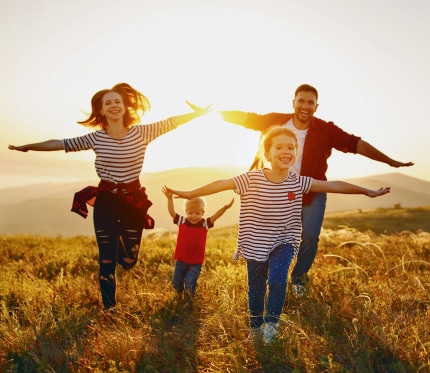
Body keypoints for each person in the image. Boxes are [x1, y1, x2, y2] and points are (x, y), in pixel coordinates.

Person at [165, 126, 390, 343]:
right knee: (256, 288)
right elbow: (221, 184)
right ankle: (255, 328)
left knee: (277, 279)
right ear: (267, 153)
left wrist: (366, 191)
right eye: (279, 147)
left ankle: (271, 326)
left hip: (284, 242)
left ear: (295, 153)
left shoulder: (298, 182)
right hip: (254, 243)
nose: (286, 151)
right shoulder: (250, 179)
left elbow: (334, 185)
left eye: (291, 147)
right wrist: (188, 193)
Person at [189, 83, 413, 296]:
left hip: (311, 190)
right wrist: (208, 113)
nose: (305, 106)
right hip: (275, 189)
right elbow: (245, 118)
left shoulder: (326, 130)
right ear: (293, 102)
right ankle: (270, 276)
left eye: (310, 103)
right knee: (270, 236)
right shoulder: (276, 121)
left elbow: (356, 144)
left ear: (316, 106)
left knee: (310, 237)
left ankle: (298, 279)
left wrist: (390, 161)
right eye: (301, 101)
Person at [8, 82, 209, 312]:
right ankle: (109, 309)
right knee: (106, 259)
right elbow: (60, 143)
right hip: (106, 200)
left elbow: (172, 122)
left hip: (132, 201)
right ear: (101, 111)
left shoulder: (142, 132)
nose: (113, 105)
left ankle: (121, 254)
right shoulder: (96, 138)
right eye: (108, 103)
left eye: (117, 101)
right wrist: (28, 147)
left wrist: (198, 113)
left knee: (128, 260)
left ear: (125, 107)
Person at [162, 186, 234, 301]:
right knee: (176, 282)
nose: (193, 216)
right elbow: (172, 212)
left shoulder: (205, 223)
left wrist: (225, 207)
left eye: (197, 213)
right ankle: (179, 297)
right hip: (181, 260)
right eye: (190, 213)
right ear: (186, 212)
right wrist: (169, 198)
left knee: (190, 283)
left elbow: (216, 215)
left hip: (196, 262)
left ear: (203, 213)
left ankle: (188, 302)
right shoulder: (182, 221)